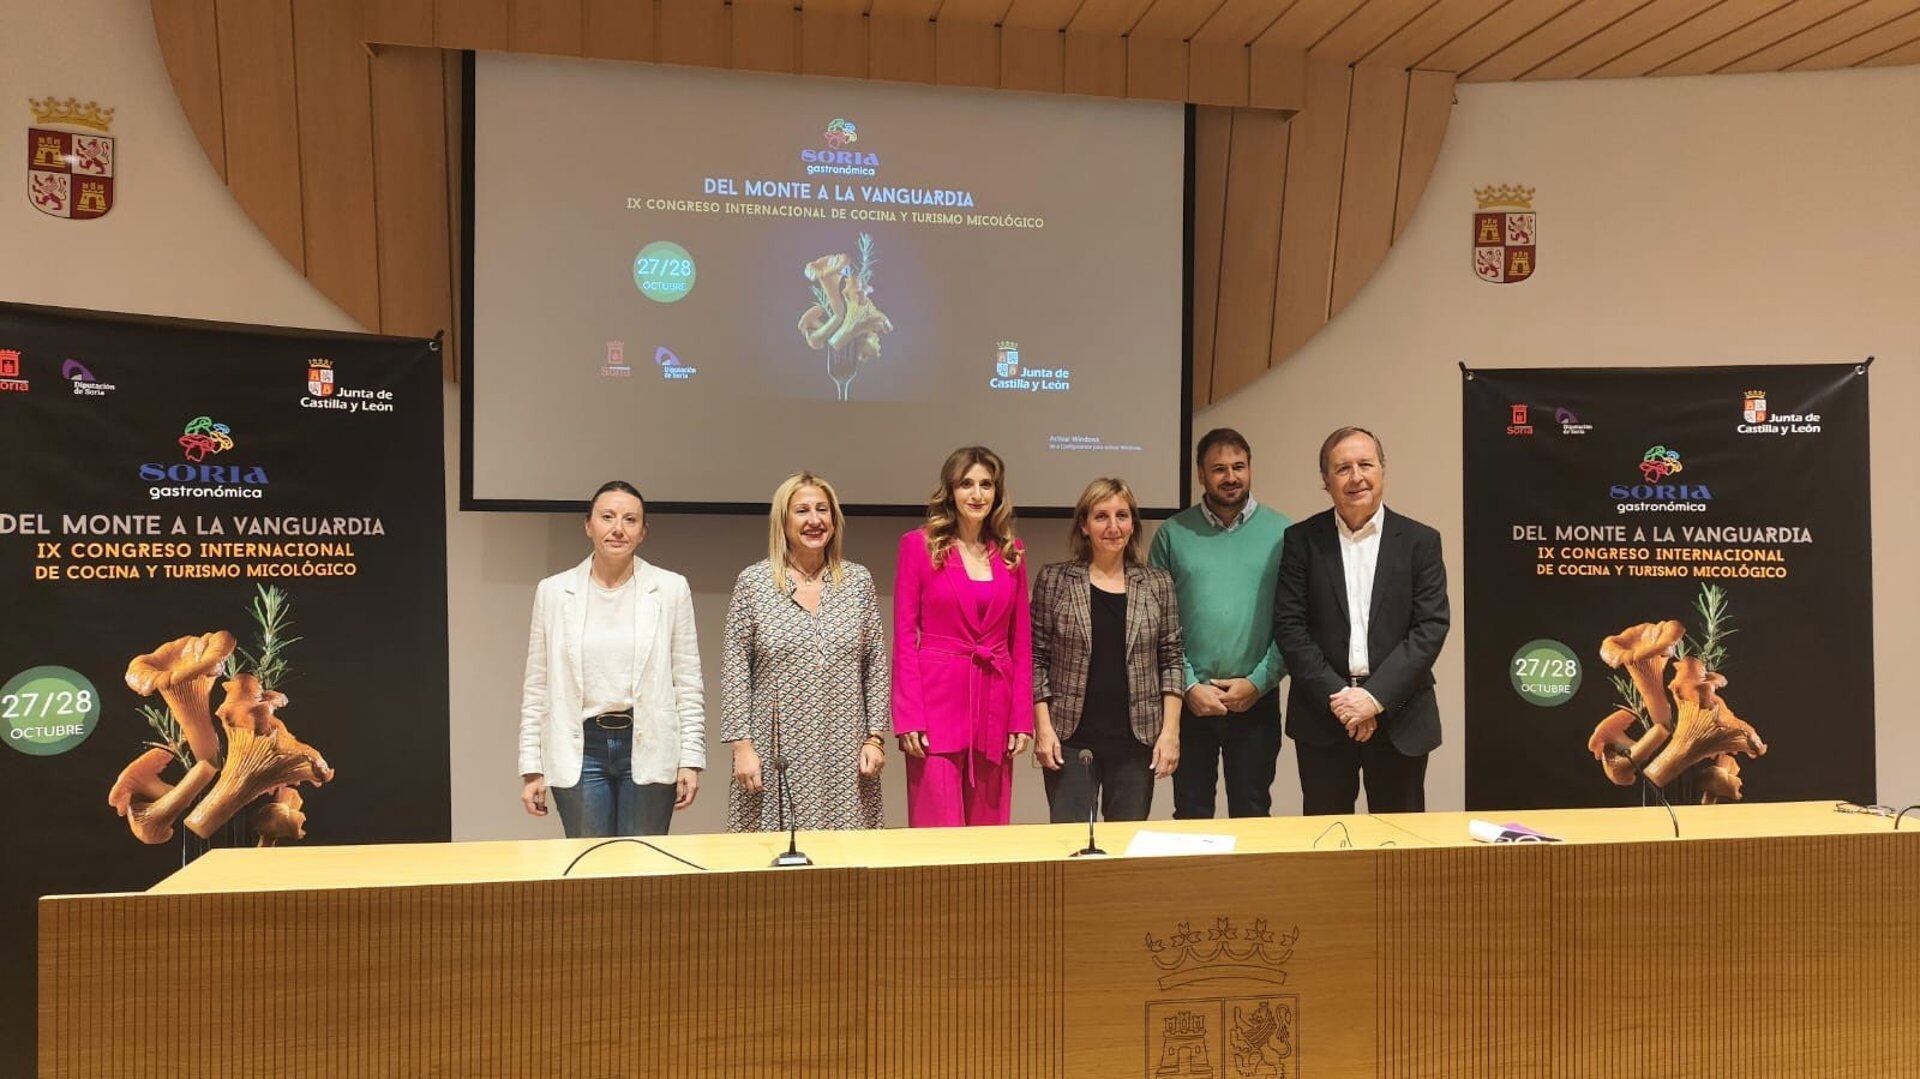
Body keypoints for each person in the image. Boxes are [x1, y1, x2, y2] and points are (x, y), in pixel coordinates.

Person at [1274, 426, 1449, 814]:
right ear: (1326, 481)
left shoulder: (1421, 542)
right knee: (1326, 838)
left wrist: (1373, 698)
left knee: (1400, 841)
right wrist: (1344, 701)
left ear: (1382, 470)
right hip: (1324, 714)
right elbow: (1290, 628)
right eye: (1343, 468)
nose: (1356, 477)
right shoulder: (1301, 540)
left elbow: (1430, 628)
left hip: (1400, 714)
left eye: (1366, 464)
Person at [517, 481, 705, 837]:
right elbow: (537, 684)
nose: (618, 528)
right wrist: (532, 767)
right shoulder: (554, 592)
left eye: (630, 519)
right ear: (588, 525)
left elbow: (688, 680)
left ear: (643, 531)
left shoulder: (670, 588)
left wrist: (690, 760)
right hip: (581, 747)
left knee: (643, 861)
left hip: (648, 740)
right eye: (607, 517)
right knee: (591, 862)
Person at [721, 472, 889, 831]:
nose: (815, 520)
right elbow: (735, 671)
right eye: (802, 511)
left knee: (846, 856)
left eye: (822, 510)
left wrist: (875, 738)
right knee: (771, 857)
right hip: (773, 749)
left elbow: (875, 664)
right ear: (783, 522)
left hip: (845, 747)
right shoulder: (754, 583)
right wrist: (742, 748)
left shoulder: (858, 581)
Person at [1148, 429, 1291, 818]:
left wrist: (1258, 683)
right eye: (1219, 469)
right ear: (1200, 474)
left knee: (1253, 812)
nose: (1231, 477)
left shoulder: (1283, 534)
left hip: (1256, 699)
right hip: (1191, 701)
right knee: (1191, 814)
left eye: (1238, 467)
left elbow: (1294, 622)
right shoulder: (1172, 534)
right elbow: (1156, 622)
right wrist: (1189, 685)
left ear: (1250, 468)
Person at [892, 446, 1033, 827]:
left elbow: (1020, 642)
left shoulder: (1012, 552)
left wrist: (1021, 718)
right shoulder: (919, 546)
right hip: (935, 707)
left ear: (997, 493)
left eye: (986, 485)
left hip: (994, 705)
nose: (977, 494)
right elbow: (904, 638)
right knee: (937, 832)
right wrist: (908, 717)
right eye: (966, 484)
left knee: (989, 835)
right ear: (950, 491)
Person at [1031, 478, 1184, 822]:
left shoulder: (1157, 583)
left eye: (1122, 516)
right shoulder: (1055, 580)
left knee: (1125, 846)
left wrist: (1170, 733)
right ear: (1084, 525)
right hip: (1070, 740)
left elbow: (1172, 658)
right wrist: (1043, 729)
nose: (1113, 527)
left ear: (1133, 524)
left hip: (1136, 741)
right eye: (1101, 516)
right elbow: (1036, 658)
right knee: (1070, 843)